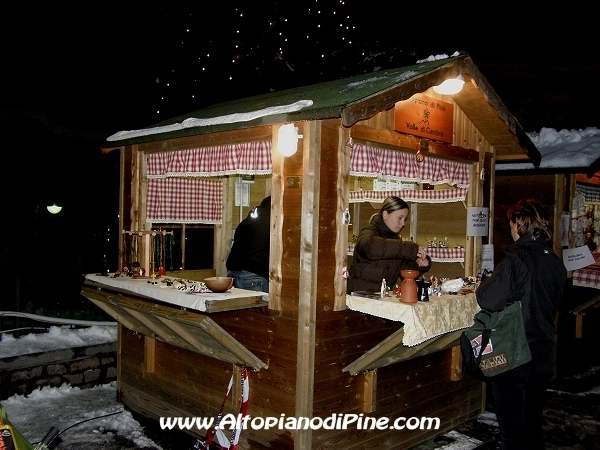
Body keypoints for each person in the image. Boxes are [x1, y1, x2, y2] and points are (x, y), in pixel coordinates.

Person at [475, 197, 567, 450]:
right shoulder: (555, 262)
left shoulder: (516, 261)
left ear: (518, 224)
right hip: (543, 353)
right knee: (532, 428)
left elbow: (488, 299)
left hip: (514, 354)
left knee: (513, 434)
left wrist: (488, 281)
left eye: (511, 224)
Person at [347, 196, 431, 294]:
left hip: (380, 296)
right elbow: (372, 247)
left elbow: (404, 268)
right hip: (359, 297)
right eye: (400, 218)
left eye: (405, 219)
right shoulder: (368, 232)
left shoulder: (396, 242)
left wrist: (418, 263)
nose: (403, 223)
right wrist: (410, 249)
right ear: (385, 214)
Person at [226, 196, 271, 292]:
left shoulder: (248, 220)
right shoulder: (273, 221)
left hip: (233, 272)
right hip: (254, 274)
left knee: (238, 302)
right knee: (256, 302)